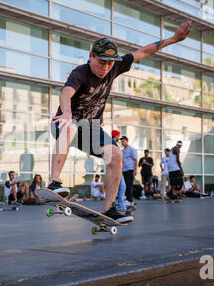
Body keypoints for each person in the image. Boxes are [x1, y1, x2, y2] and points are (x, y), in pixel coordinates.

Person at [48, 21, 191, 222]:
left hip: (91, 130)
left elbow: (144, 51)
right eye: (101, 62)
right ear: (91, 56)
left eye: (110, 63)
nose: (106, 68)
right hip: (65, 123)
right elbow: (66, 92)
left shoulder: (115, 66)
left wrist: (173, 39)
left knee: (116, 154)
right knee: (70, 126)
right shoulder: (80, 73)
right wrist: (67, 112)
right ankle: (54, 183)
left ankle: (109, 209)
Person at [111, 130, 132, 216]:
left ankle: (120, 205)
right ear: (116, 135)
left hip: (115, 167)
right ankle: (121, 206)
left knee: (119, 187)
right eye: (118, 136)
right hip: (116, 168)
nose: (119, 138)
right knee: (122, 186)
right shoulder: (113, 144)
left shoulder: (112, 143)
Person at [121, 136, 138, 211]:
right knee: (125, 186)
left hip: (130, 170)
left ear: (127, 141)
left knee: (129, 185)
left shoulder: (131, 150)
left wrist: (135, 170)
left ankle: (129, 200)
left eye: (123, 141)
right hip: (124, 170)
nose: (122, 142)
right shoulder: (122, 151)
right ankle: (130, 201)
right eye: (121, 141)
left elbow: (136, 160)